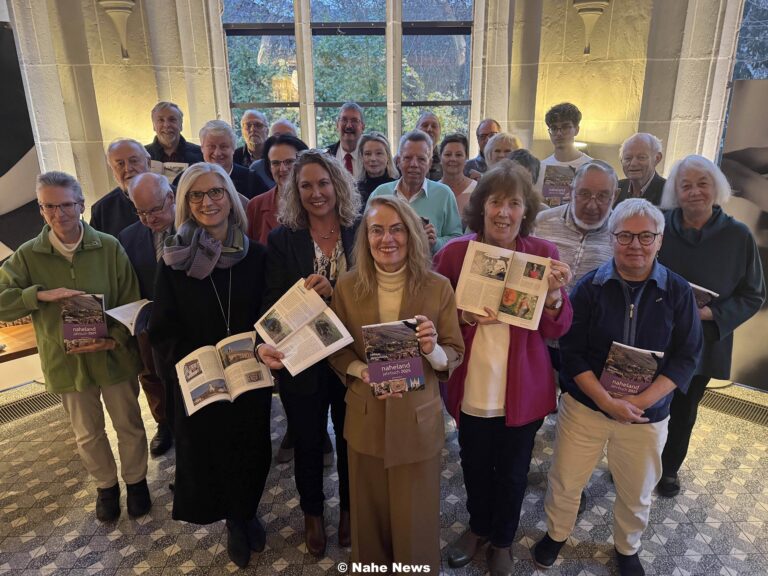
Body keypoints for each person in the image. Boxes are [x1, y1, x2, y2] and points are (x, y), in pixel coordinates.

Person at [533, 199, 703, 576]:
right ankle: (556, 534)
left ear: (660, 241)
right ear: (611, 239)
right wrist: (605, 400)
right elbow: (572, 353)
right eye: (625, 235)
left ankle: (627, 547)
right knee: (565, 480)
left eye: (646, 236)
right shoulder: (589, 287)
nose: (635, 245)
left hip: (647, 415)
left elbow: (687, 356)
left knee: (637, 489)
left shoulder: (677, 292)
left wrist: (639, 402)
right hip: (587, 408)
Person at [434, 161, 573, 575]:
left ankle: (502, 541)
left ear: (525, 211)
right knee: (474, 465)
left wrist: (552, 298)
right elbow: (433, 314)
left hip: (522, 389)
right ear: (482, 208)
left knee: (513, 473)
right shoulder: (457, 253)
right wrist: (467, 317)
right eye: (495, 201)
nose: (504, 212)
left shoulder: (543, 255)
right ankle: (477, 528)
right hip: (473, 384)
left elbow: (559, 327)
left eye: (514, 203)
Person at [0, 171, 150, 522]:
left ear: (81, 205)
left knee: (128, 423)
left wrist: (114, 338)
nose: (59, 213)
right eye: (49, 206)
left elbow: (131, 299)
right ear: (41, 210)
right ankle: (106, 487)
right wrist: (38, 295)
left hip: (112, 353)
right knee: (86, 432)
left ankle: (137, 482)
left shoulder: (109, 246)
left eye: (66, 204)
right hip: (65, 360)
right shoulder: (28, 255)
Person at [327, 196, 465, 574]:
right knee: (368, 519)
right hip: (366, 414)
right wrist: (360, 370)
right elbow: (336, 351)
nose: (386, 239)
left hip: (417, 420)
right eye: (376, 230)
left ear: (411, 234)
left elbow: (455, 351)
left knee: (415, 519)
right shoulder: (348, 285)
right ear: (365, 237)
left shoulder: (438, 287)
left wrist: (433, 349)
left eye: (396, 229)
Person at [148, 163, 272, 569]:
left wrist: (259, 348)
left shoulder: (258, 256)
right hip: (198, 378)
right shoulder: (172, 262)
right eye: (196, 195)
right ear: (184, 202)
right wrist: (194, 360)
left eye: (216, 192)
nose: (208, 202)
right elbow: (161, 328)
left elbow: (268, 316)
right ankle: (234, 521)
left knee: (251, 448)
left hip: (249, 374)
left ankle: (247, 510)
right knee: (210, 453)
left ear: (231, 197)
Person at [256, 151, 361, 557]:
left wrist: (337, 293)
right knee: (308, 439)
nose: (316, 193)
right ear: (294, 192)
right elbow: (271, 302)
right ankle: (313, 514)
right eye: (305, 186)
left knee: (352, 438)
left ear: (337, 185)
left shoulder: (360, 230)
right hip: (303, 360)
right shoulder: (283, 239)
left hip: (353, 355)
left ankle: (351, 509)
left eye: (322, 183)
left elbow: (374, 292)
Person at [656, 155, 765, 497]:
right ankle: (636, 462)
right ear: (675, 191)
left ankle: (669, 469)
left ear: (716, 186)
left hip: (702, 338)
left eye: (702, 183)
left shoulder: (738, 236)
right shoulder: (658, 225)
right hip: (655, 333)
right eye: (685, 185)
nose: (694, 192)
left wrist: (710, 315)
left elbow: (753, 295)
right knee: (645, 404)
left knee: (683, 410)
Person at [118, 173, 176, 456]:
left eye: (155, 210)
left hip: (189, 324)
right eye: (141, 212)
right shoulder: (128, 237)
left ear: (171, 198)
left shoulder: (195, 227)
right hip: (149, 324)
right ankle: (164, 423)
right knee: (152, 376)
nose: (149, 219)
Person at [368, 130, 463, 254]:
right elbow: (366, 236)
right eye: (407, 158)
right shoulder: (380, 194)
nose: (414, 164)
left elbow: (456, 239)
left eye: (421, 159)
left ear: (429, 164)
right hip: (386, 270)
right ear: (398, 161)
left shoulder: (444, 195)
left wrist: (435, 243)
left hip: (428, 270)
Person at [534, 160, 617, 293]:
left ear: (615, 196)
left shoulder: (622, 234)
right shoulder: (542, 222)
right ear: (571, 191)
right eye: (584, 194)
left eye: (602, 196)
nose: (591, 206)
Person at [245, 134, 308, 244]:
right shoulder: (255, 206)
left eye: (289, 162)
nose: (282, 169)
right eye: (275, 163)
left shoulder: (316, 200)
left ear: (304, 163)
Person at [91, 138, 150, 237]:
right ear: (112, 170)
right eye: (120, 164)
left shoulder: (174, 196)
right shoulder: (102, 210)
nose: (128, 169)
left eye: (134, 161)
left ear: (148, 162)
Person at [534, 102, 592, 196]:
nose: (559, 133)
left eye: (565, 127)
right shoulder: (540, 168)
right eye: (554, 128)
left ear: (576, 130)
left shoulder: (591, 166)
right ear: (549, 132)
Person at [200, 119, 254, 199]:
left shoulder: (251, 179)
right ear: (202, 148)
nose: (217, 153)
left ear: (233, 148)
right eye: (211, 146)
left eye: (223, 146)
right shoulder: (190, 179)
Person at [249, 118, 300, 195]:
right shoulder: (256, 168)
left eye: (288, 136)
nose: (282, 140)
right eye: (277, 136)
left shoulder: (306, 164)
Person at [614, 133, 666, 207]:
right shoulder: (616, 188)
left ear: (657, 158)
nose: (633, 163)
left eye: (641, 157)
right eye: (628, 158)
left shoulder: (670, 193)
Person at [438, 133, 476, 221]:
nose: (453, 159)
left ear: (466, 158)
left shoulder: (477, 190)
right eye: (448, 154)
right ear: (440, 158)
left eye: (458, 155)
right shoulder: (432, 191)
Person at [356, 131, 398, 204]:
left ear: (388, 157)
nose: (373, 159)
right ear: (362, 157)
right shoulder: (354, 191)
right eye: (368, 154)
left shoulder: (398, 188)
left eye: (379, 153)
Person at [326, 102, 365, 178]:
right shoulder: (325, 156)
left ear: (363, 127)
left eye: (354, 120)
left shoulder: (371, 156)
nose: (349, 126)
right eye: (344, 120)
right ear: (337, 125)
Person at [416, 111, 443, 181]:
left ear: (440, 132)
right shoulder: (404, 157)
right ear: (416, 130)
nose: (429, 129)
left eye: (434, 126)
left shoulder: (446, 157)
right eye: (425, 125)